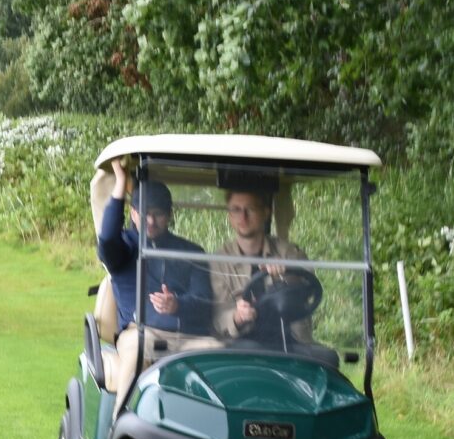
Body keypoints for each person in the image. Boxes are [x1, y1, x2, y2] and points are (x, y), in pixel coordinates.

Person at [98, 160, 214, 412]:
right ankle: (119, 433)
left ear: (169, 215)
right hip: (141, 333)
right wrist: (120, 183)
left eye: (158, 213)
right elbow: (106, 238)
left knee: (220, 353)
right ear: (133, 213)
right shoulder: (124, 248)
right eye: (144, 212)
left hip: (188, 338)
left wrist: (178, 305)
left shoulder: (191, 252)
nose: (150, 220)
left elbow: (206, 302)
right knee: (137, 348)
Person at [210, 183, 314, 344]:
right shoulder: (219, 261)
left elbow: (309, 289)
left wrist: (287, 274)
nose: (243, 217)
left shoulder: (289, 253)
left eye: (250, 209)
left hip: (291, 341)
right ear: (229, 215)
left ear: (266, 213)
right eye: (236, 210)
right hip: (240, 343)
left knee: (328, 358)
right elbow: (217, 312)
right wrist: (237, 317)